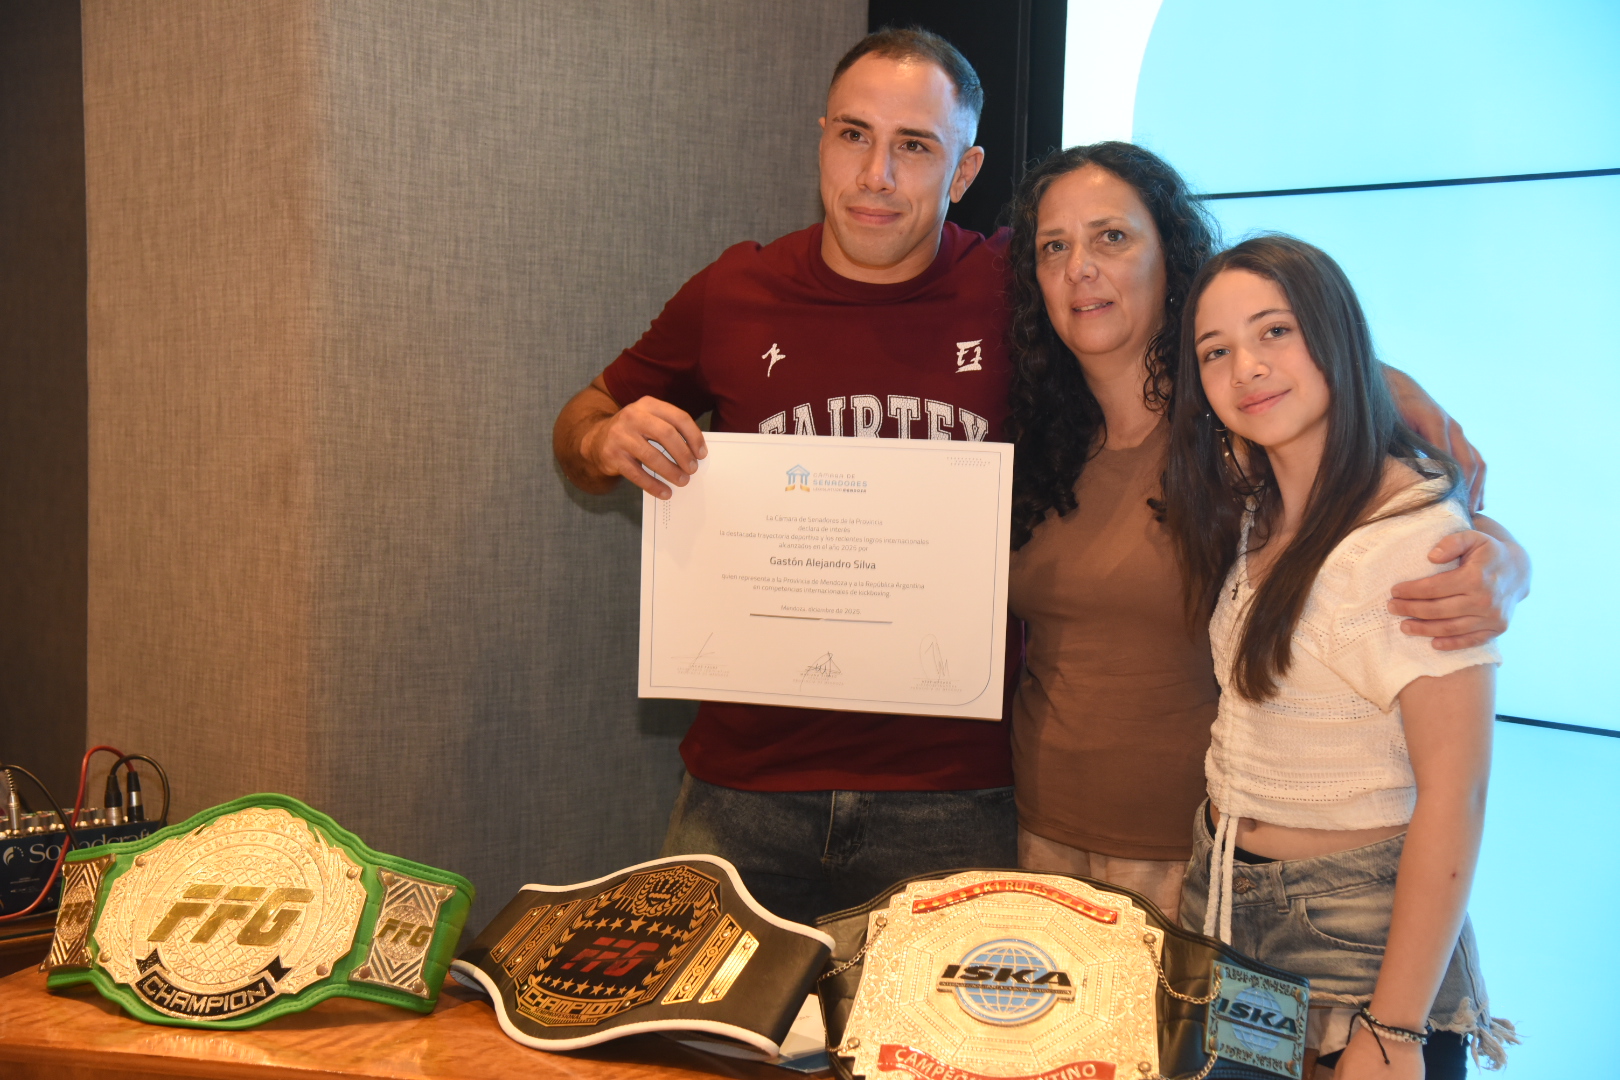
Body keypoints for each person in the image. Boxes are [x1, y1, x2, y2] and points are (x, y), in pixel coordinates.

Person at [552, 29, 1019, 924]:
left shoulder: (1015, 292)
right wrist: (605, 439)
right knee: (701, 1018)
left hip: (955, 792)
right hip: (743, 788)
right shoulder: (735, 291)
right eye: (854, 135)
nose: (876, 174)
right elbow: (582, 416)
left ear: (964, 172)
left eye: (915, 147)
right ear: (821, 142)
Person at [1002, 144, 1529, 921]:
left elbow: (1407, 511)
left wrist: (1506, 557)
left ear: (1171, 256)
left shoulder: (1243, 424)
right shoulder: (1037, 438)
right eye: (1055, 247)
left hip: (1200, 863)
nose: (1081, 267)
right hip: (1039, 840)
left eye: (1111, 237)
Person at [1165, 235, 1514, 1077]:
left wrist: (1393, 1029)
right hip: (1224, 901)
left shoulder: (1413, 542)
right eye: (1216, 351)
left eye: (1275, 331)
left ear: (1335, 335)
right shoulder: (1257, 499)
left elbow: (1457, 795)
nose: (1247, 368)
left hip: (1355, 935)